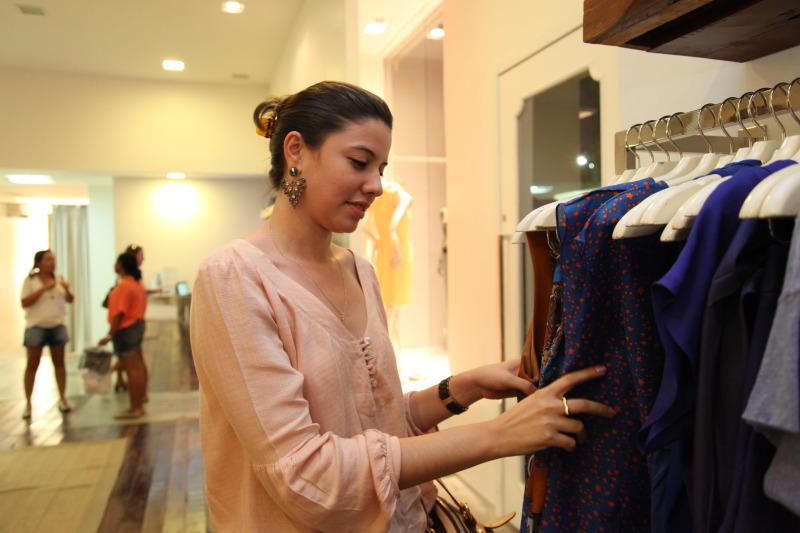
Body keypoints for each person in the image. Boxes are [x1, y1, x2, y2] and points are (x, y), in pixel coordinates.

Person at [189, 81, 616, 531]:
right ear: (295, 150)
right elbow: (306, 475)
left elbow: (379, 420)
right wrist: (499, 434)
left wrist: (463, 388)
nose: (376, 185)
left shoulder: (358, 270)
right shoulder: (235, 278)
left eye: (381, 168)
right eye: (359, 162)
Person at [20, 249, 75, 419]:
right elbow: (24, 302)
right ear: (39, 263)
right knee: (32, 364)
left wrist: (66, 289)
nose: (52, 263)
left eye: (53, 259)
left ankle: (63, 398)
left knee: (59, 364)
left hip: (57, 325)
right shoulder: (30, 281)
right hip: (36, 326)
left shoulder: (59, 280)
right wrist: (43, 288)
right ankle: (28, 403)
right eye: (48, 260)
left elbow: (70, 299)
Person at [99, 252, 148, 419]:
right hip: (136, 326)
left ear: (120, 265)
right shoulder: (136, 284)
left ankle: (136, 407)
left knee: (132, 369)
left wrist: (109, 334)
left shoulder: (124, 286)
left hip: (126, 329)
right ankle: (139, 403)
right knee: (137, 367)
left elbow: (119, 313)